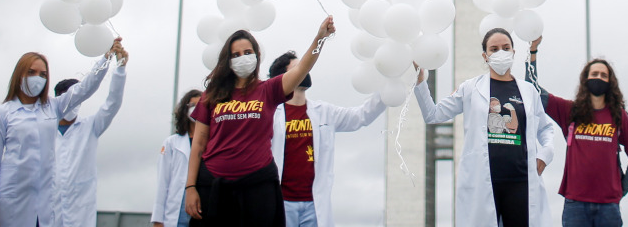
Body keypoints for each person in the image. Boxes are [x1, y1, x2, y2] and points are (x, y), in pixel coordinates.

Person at [185, 18, 336, 227]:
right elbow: (199, 144)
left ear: (256, 55)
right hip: (213, 187)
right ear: (227, 60)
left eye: (247, 53)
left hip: (258, 187)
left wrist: (320, 39)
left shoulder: (268, 89)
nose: (242, 58)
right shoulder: (212, 95)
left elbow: (301, 68)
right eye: (236, 55)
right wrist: (190, 187)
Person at [413, 27, 556, 227]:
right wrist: (420, 80)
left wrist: (545, 154)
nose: (501, 53)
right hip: (483, 180)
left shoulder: (528, 90)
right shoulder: (470, 88)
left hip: (521, 180)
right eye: (494, 49)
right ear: (485, 55)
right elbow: (433, 115)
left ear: (513, 52)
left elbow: (546, 129)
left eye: (506, 48)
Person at [0, 38, 122, 227]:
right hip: (11, 201)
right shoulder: (2, 114)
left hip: (44, 205)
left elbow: (85, 88)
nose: (37, 78)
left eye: (42, 74)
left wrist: (106, 58)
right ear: (19, 75)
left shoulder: (53, 107)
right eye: (31, 72)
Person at [523, 35, 628, 227]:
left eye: (603, 75)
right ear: (585, 79)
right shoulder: (570, 111)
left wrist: (621, 190)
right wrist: (533, 51)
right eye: (594, 74)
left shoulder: (618, 116)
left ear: (610, 82)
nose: (598, 78)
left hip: (608, 208)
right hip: (575, 205)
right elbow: (532, 89)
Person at [266, 51, 386, 227]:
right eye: (299, 67)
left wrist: (388, 88)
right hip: (282, 202)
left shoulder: (324, 112)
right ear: (285, 77)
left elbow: (361, 116)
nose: (306, 69)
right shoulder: (270, 116)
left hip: (314, 205)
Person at [53, 41, 129, 227]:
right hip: (48, 214)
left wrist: (119, 69)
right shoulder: (44, 130)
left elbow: (112, 103)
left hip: (80, 216)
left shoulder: (90, 127)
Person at [152, 89, 202, 227]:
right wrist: (158, 219)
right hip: (177, 213)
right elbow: (163, 182)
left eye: (200, 106)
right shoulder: (172, 143)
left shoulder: (213, 142)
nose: (196, 110)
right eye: (192, 106)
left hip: (204, 208)